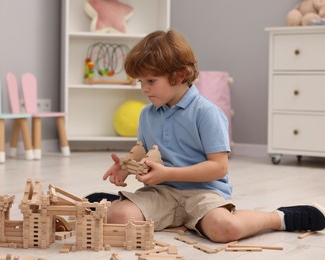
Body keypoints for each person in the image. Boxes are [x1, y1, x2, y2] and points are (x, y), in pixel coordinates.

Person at [101, 30, 325, 242]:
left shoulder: (206, 113)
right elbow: (143, 147)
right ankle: (119, 204)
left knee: (227, 229)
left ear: (179, 76)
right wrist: (126, 164)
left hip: (203, 193)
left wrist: (168, 172)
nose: (144, 89)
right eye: (140, 81)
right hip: (161, 191)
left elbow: (218, 167)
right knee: (117, 219)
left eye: (150, 81)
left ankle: (278, 218)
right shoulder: (147, 113)